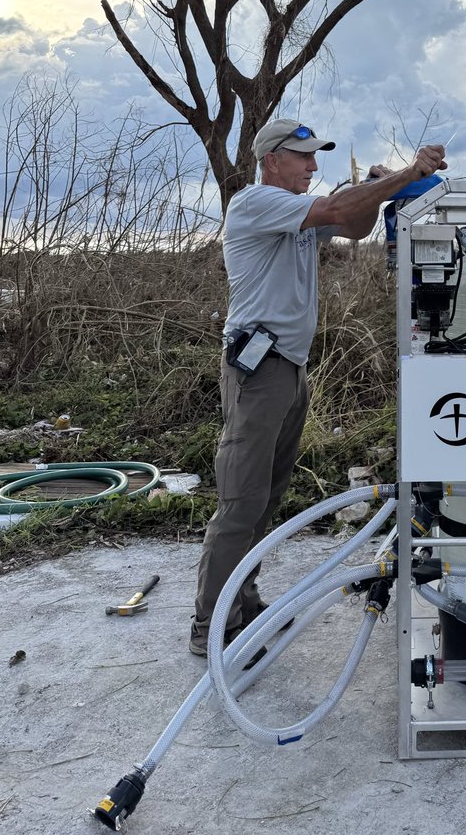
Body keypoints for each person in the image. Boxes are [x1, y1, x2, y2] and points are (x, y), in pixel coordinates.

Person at [190, 118, 447, 655]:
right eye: (303, 157)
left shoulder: (296, 215)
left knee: (267, 497)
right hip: (258, 372)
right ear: (271, 160)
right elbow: (336, 210)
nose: (312, 165)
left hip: (288, 367)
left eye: (315, 157)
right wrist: (405, 173)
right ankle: (211, 625)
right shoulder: (255, 203)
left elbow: (352, 226)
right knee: (241, 500)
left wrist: (383, 187)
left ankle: (245, 600)